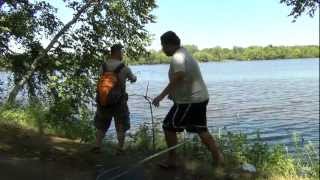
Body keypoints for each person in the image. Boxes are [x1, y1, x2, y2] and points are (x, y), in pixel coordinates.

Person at [152, 31, 224, 167]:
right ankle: (218, 158)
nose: (163, 49)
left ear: (170, 44)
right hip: (198, 98)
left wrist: (160, 96)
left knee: (168, 126)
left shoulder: (178, 56)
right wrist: (174, 93)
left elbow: (179, 75)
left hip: (190, 101)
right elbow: (184, 79)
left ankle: (173, 160)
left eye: (163, 46)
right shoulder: (184, 53)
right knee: (201, 129)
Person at [92, 44, 137, 154]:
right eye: (121, 52)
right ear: (116, 52)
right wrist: (133, 78)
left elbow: (101, 80)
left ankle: (97, 146)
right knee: (121, 125)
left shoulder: (103, 66)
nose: (122, 54)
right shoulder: (124, 68)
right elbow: (133, 78)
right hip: (119, 102)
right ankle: (120, 149)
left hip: (104, 100)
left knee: (102, 125)